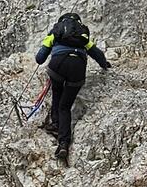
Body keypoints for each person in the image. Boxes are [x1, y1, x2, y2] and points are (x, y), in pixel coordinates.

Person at [35, 13, 109, 165]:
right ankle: (63, 143)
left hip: (58, 64)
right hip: (78, 68)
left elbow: (40, 58)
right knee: (65, 106)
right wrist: (104, 64)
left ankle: (56, 124)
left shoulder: (56, 32)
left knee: (57, 91)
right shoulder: (82, 35)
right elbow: (97, 53)